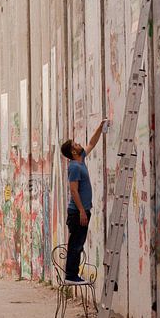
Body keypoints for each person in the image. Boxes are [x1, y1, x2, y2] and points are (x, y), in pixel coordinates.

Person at [60, 119, 107, 283]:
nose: (79, 144)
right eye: (75, 144)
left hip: (83, 211)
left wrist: (100, 128)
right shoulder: (74, 167)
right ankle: (71, 275)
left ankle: (72, 274)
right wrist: (81, 211)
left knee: (79, 243)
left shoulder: (81, 160)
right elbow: (73, 190)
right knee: (76, 244)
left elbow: (91, 143)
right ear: (73, 152)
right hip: (77, 212)